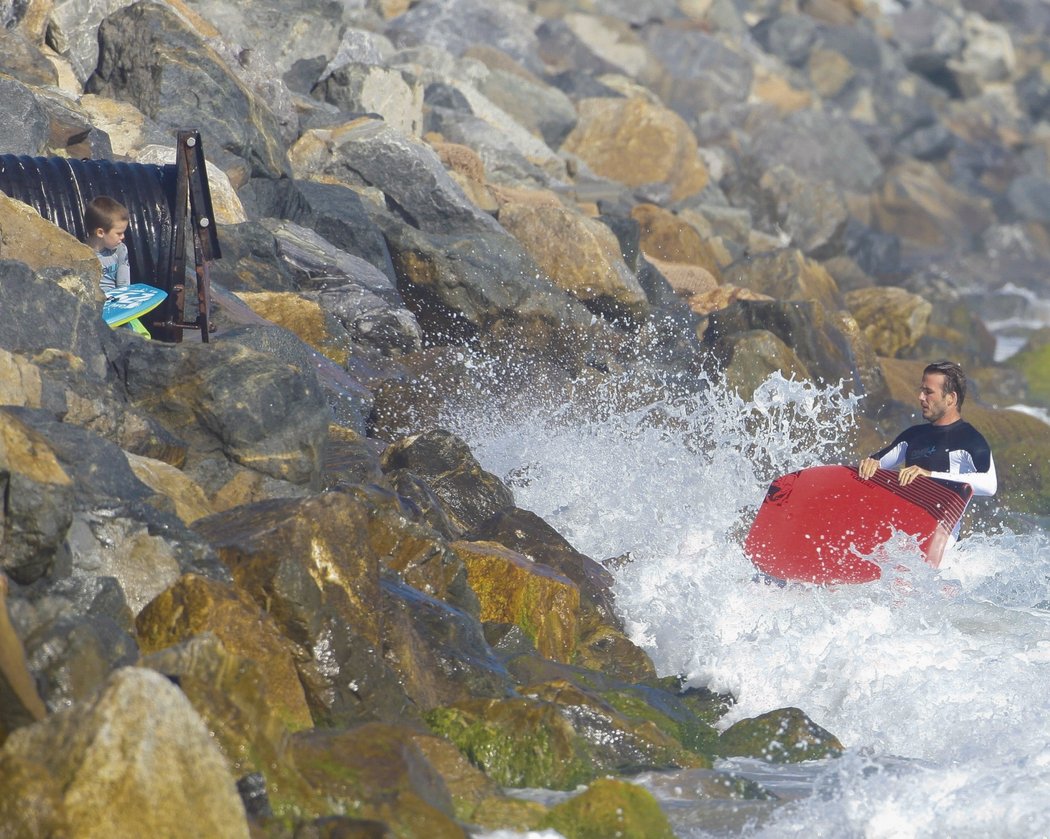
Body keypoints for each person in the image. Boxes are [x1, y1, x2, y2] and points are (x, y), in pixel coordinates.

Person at [858, 359, 997, 538]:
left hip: (943, 547)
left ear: (950, 398)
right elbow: (877, 464)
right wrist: (869, 465)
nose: (921, 397)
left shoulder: (970, 440)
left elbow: (989, 485)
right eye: (921, 390)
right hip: (903, 538)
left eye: (928, 392)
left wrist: (929, 476)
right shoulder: (913, 436)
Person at [83, 195, 130, 293]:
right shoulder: (80, 256)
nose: (123, 237)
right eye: (119, 233)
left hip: (116, 301)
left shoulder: (120, 250)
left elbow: (124, 287)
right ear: (100, 233)